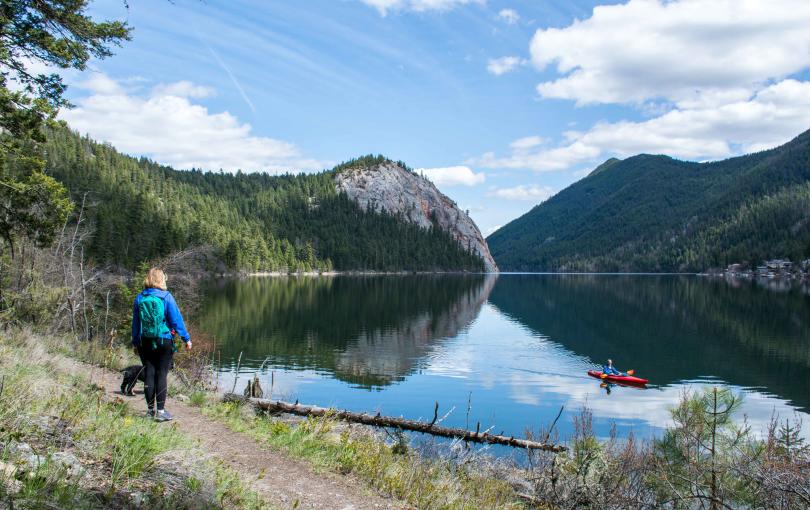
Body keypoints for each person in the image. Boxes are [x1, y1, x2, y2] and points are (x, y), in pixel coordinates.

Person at [132, 268, 191, 421]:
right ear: (161, 280)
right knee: (162, 375)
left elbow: (136, 324)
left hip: (145, 340)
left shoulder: (139, 298)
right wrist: (186, 338)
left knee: (149, 373)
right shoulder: (166, 297)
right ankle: (161, 412)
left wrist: (135, 343)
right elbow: (176, 320)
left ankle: (150, 411)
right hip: (164, 339)